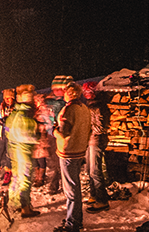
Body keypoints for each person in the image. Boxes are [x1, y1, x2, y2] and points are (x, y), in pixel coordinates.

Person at [53, 82, 91, 232]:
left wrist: (54, 130)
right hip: (79, 150)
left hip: (68, 152)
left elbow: (63, 132)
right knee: (75, 186)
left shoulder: (68, 110)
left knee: (70, 189)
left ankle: (72, 224)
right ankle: (76, 219)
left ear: (69, 93)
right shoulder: (84, 108)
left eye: (65, 91)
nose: (63, 94)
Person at [5, 84, 41, 218]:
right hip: (23, 152)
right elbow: (32, 137)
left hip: (13, 151)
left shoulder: (13, 115)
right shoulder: (26, 118)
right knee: (25, 179)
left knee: (16, 177)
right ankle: (25, 208)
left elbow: (7, 132)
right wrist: (38, 132)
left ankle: (14, 204)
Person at [81, 81, 111, 212]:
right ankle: (94, 195)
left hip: (95, 141)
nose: (87, 94)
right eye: (85, 92)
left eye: (89, 91)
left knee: (95, 170)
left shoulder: (97, 107)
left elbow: (99, 128)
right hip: (90, 141)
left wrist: (86, 130)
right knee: (89, 169)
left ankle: (102, 200)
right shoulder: (92, 106)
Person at [43, 75, 72, 195]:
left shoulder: (56, 102)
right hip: (54, 134)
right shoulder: (56, 102)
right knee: (57, 161)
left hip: (57, 134)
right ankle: (56, 185)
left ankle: (57, 185)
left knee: (60, 161)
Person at [0, 88, 16, 185]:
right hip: (0, 135)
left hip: (11, 136)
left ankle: (7, 174)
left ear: (13, 98)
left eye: (9, 98)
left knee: (9, 156)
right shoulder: (0, 108)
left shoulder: (16, 108)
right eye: (6, 98)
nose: (7, 100)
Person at [32, 92, 55, 188]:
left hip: (41, 138)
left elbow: (49, 123)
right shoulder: (35, 110)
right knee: (35, 159)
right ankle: (37, 176)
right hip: (34, 138)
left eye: (36, 101)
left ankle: (41, 178)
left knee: (41, 159)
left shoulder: (45, 110)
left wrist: (40, 126)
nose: (35, 102)